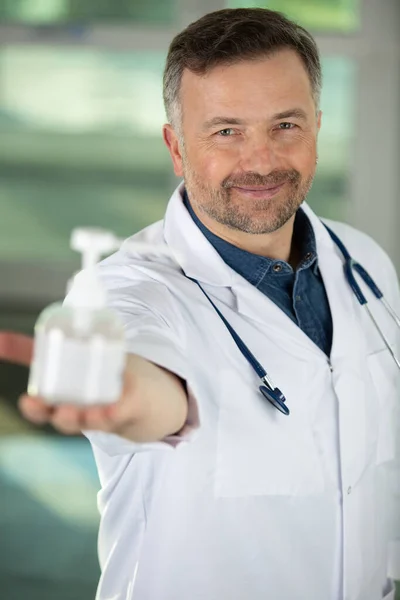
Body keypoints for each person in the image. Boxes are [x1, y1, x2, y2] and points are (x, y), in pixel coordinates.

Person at [0, 7, 399, 600]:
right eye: (226, 131)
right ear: (177, 147)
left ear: (317, 125)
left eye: (285, 125)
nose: (260, 160)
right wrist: (130, 394)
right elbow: (153, 379)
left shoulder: (365, 261)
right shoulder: (126, 291)